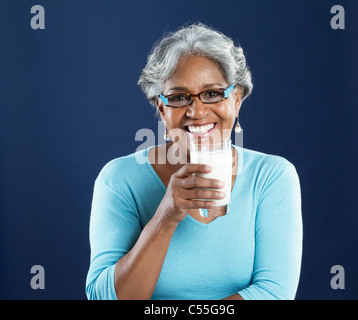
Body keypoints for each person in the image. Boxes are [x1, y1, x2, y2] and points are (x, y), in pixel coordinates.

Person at [85, 23, 302, 300]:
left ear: (236, 99)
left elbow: (274, 293)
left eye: (212, 93)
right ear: (161, 108)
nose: (196, 111)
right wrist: (166, 216)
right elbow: (103, 298)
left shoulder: (272, 176)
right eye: (178, 98)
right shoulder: (119, 179)